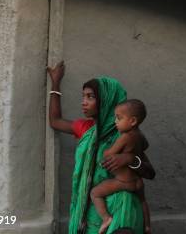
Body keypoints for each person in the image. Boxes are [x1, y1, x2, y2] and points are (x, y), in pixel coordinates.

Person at [47, 61, 155, 234]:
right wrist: (55, 84)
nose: (84, 102)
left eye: (91, 97)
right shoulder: (86, 129)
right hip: (93, 211)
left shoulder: (127, 135)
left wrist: (129, 159)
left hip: (122, 211)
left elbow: (150, 173)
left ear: (107, 99)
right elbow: (55, 121)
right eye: (83, 96)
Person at [90, 99, 151, 234]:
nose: (115, 122)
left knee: (95, 193)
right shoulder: (140, 136)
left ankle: (106, 218)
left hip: (123, 182)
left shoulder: (125, 137)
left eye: (119, 118)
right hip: (138, 182)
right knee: (143, 201)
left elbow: (109, 154)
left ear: (133, 121)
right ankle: (147, 226)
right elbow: (145, 146)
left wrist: (104, 150)